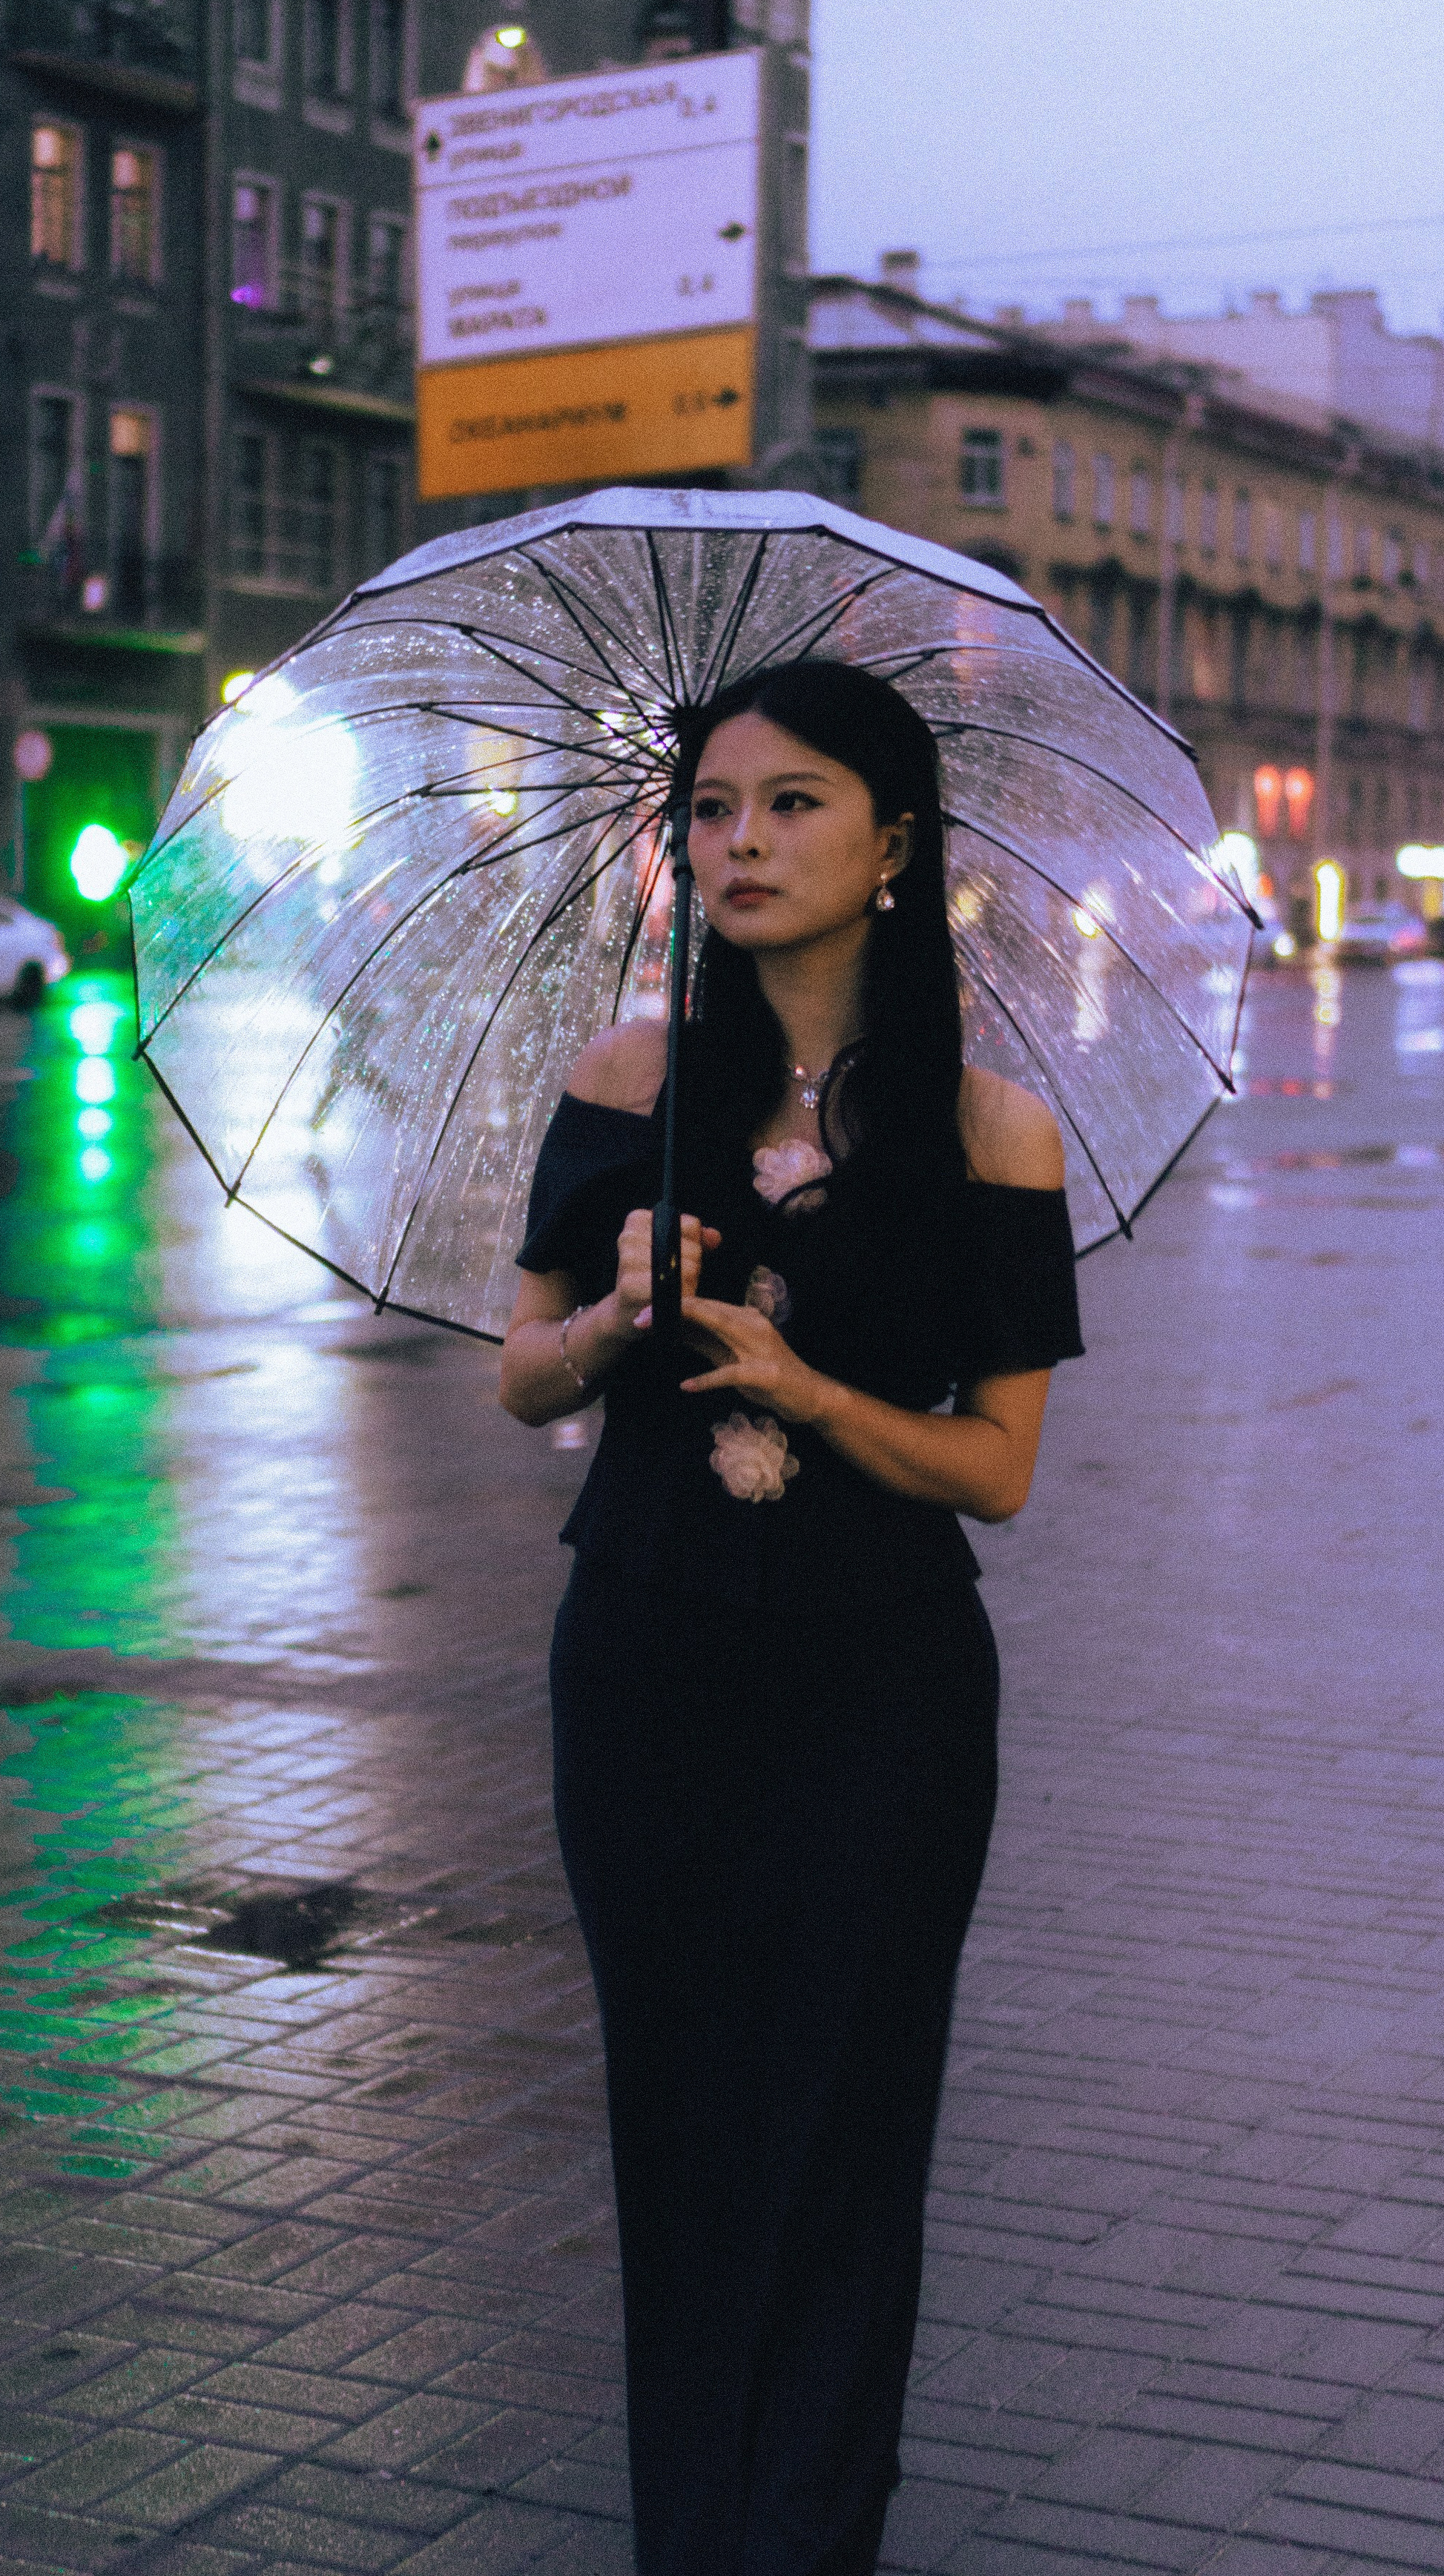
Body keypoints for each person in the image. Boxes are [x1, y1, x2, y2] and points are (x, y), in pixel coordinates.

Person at [498, 661, 1084, 2576]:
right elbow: (519, 1376)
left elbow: (994, 1467)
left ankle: (810, 2539)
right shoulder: (626, 1087)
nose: (739, 841)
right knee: (677, 2128)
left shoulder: (991, 1133)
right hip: (648, 1655)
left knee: (843, 2129)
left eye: (794, 803)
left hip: (881, 1689)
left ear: (896, 845)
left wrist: (811, 1389)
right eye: (715, 807)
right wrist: (611, 1320)